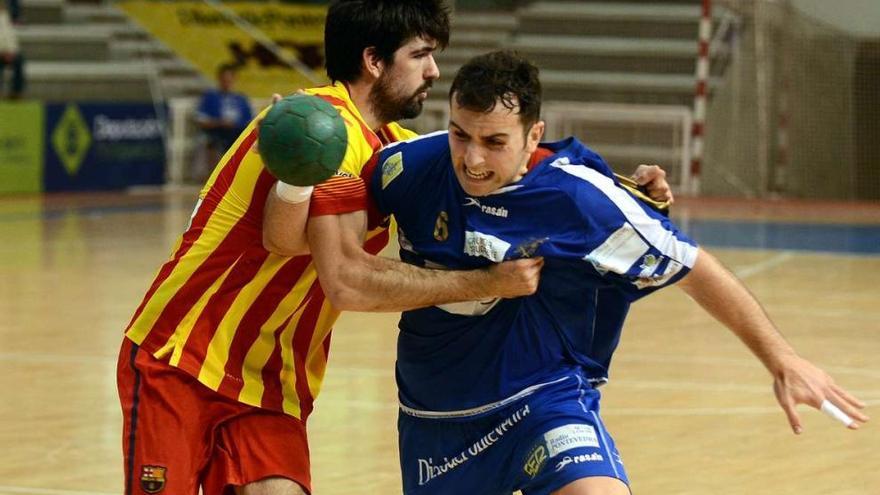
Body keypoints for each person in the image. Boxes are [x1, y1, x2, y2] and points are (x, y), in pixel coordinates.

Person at [356, 51, 868, 494]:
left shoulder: (578, 199)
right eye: (460, 134)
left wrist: (782, 359)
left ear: (534, 134)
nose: (471, 159)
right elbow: (335, 251)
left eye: (494, 142)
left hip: (544, 398)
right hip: (436, 418)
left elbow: (693, 267)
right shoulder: (405, 169)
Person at [117, 3, 548, 495]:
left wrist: (632, 192)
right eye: (421, 55)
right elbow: (329, 269)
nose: (433, 70)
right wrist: (488, 284)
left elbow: (508, 166)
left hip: (270, 383)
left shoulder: (391, 147)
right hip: (184, 358)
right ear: (374, 61)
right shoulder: (323, 127)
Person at [193, 64, 254, 178]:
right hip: (216, 131)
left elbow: (250, 122)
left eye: (229, 80)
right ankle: (213, 178)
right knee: (209, 142)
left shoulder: (241, 99)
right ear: (219, 79)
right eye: (224, 80)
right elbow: (201, 120)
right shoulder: (210, 97)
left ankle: (239, 177)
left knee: (249, 142)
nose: (227, 83)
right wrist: (220, 122)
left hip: (237, 132)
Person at [0, 1, 23, 99]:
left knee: (19, 59)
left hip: (7, 51)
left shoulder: (4, 17)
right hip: (1, 52)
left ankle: (16, 92)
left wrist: (12, 51)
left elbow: (10, 36)